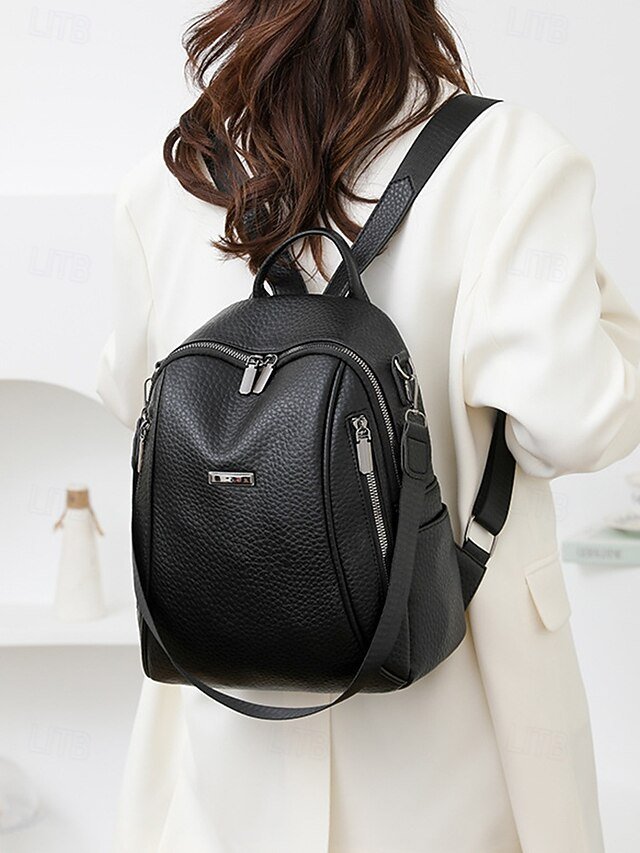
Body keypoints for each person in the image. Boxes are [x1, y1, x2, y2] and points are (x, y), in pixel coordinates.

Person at [96, 2, 640, 852]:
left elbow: (134, 399)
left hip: (224, 754)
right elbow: (575, 425)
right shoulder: (508, 161)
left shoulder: (178, 178)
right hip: (453, 749)